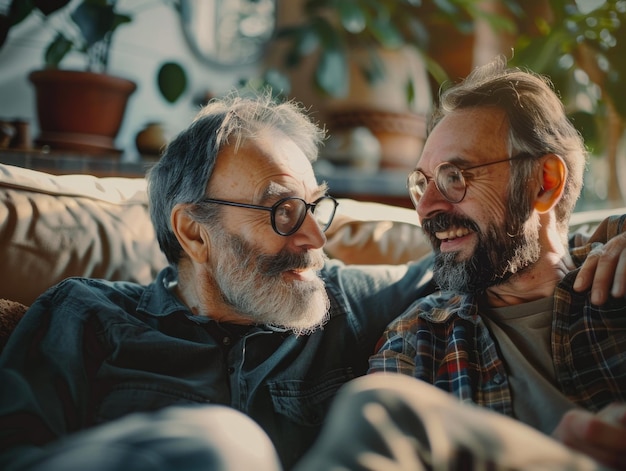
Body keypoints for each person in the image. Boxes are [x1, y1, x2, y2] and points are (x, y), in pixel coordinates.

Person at [0, 90, 622, 471]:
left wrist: (617, 231)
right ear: (193, 233)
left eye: (316, 208)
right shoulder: (82, 313)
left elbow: (501, 243)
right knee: (224, 448)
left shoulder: (341, 304)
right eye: (283, 211)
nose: (316, 239)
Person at [354, 57, 624, 469]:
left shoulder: (619, 274)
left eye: (454, 177)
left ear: (545, 182)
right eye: (422, 184)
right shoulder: (419, 341)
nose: (426, 208)